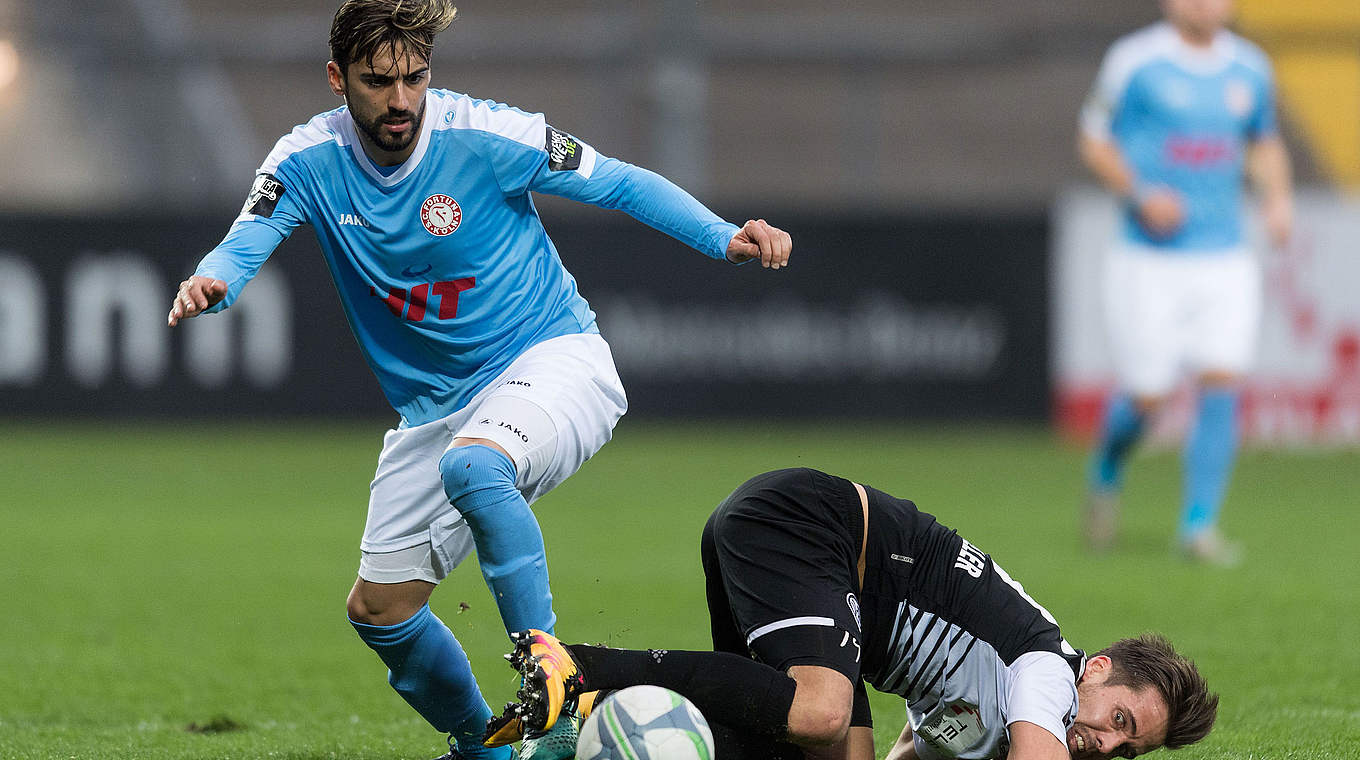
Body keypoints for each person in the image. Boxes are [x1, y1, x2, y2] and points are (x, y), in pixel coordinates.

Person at [166, 2, 791, 759]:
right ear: (338, 79)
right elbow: (247, 238)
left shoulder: (488, 134)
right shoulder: (306, 161)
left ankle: (553, 695)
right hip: (436, 410)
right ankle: (485, 748)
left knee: (476, 464)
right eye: (377, 82)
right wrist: (213, 282)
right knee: (381, 612)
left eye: (414, 79)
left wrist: (723, 236)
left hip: (553, 359)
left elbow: (618, 182)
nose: (400, 101)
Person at [485, 468, 1218, 760]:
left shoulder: (999, 720)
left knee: (824, 746)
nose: (1106, 744)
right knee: (821, 710)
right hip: (816, 528)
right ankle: (578, 665)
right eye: (1119, 719)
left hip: (828, 588)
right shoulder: (1046, 671)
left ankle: (575, 734)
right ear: (1096, 672)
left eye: (1129, 751)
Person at [1077, 0, 1293, 564]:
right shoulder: (1134, 60)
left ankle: (1198, 528)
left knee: (1222, 381)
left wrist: (1277, 200)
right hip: (1148, 259)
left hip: (1224, 256)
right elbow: (1094, 141)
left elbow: (1264, 142)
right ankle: (1107, 467)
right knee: (1148, 396)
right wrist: (1142, 193)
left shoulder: (1250, 66)